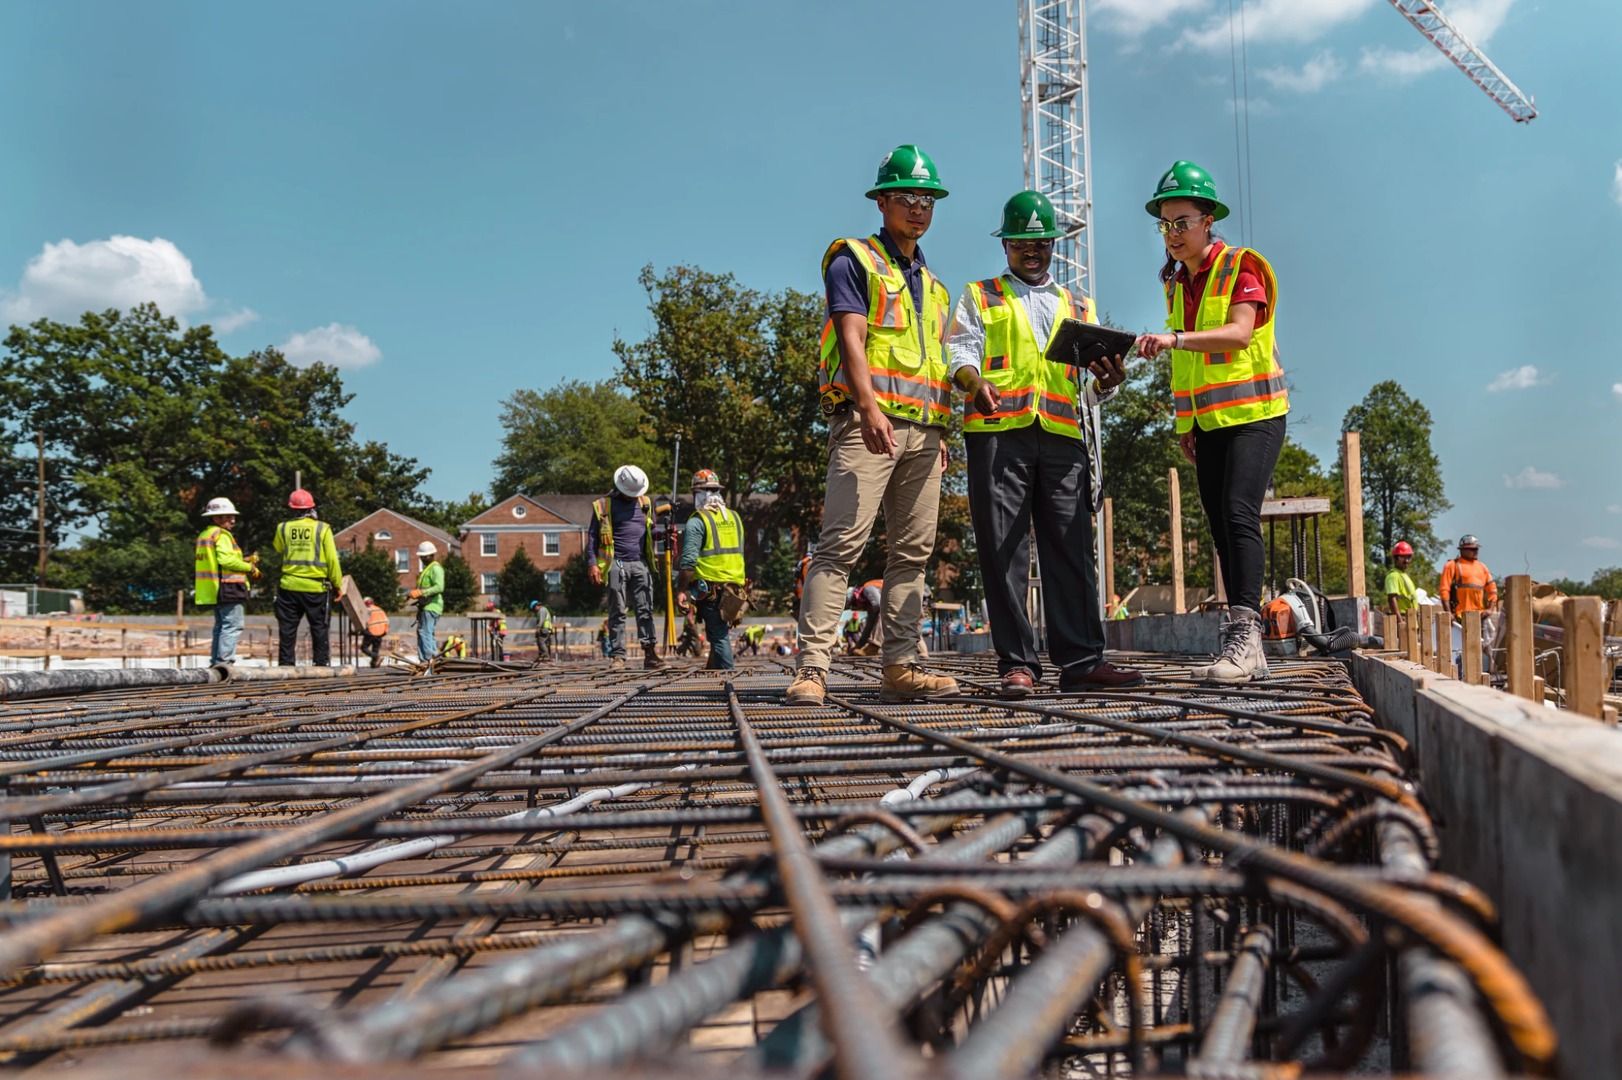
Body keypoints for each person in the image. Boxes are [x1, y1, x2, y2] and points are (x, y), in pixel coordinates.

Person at [948, 189, 1142, 698]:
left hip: (1062, 436)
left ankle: (1081, 662)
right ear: (1005, 243)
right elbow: (959, 354)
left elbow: (1088, 388)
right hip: (997, 436)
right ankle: (1019, 665)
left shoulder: (1079, 304)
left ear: (1053, 244)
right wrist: (973, 383)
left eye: (1040, 243)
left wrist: (1108, 380)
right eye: (1020, 243)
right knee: (1003, 548)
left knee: (1073, 547)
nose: (1031, 251)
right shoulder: (980, 295)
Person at [787, 145, 959, 706]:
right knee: (840, 546)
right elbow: (851, 338)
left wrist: (940, 435)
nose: (919, 207)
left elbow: (933, 363)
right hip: (870, 425)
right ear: (882, 201)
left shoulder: (934, 286)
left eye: (927, 198)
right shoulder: (854, 260)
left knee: (912, 556)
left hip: (924, 432)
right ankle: (812, 669)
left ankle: (902, 666)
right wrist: (868, 409)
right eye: (908, 197)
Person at [1136, 162, 1288, 683]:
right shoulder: (1178, 286)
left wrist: (1175, 339)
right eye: (1165, 224)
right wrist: (1185, 424)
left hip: (1256, 414)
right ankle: (1244, 643)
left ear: (1207, 221)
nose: (1173, 234)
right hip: (1209, 422)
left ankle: (1248, 638)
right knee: (1222, 525)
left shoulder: (1241, 267)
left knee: (1238, 512)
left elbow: (1241, 334)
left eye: (1181, 222)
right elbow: (1186, 369)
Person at [589, 465, 664, 671]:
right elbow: (593, 537)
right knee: (617, 611)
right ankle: (618, 657)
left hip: (640, 564)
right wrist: (592, 563)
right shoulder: (603, 506)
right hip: (616, 565)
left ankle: (650, 653)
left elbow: (651, 532)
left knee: (645, 609)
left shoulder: (645, 503)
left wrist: (665, 536)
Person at [676, 469, 748, 671]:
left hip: (711, 589)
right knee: (719, 631)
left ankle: (727, 678)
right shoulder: (734, 518)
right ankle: (713, 671)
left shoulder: (698, 521)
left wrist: (681, 590)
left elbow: (688, 561)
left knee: (718, 636)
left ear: (698, 494)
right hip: (736, 588)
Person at [273, 488, 343, 666]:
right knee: (319, 628)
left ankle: (286, 666)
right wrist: (338, 585)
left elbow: (279, 549)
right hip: (315, 588)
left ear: (292, 508)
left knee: (287, 630)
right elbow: (332, 560)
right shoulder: (322, 528)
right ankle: (320, 665)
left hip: (288, 587)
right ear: (311, 508)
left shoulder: (283, 528)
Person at [194, 496, 260, 666]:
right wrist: (249, 568)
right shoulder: (222, 535)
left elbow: (219, 561)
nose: (233, 520)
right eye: (228, 516)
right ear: (216, 518)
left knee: (221, 627)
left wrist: (245, 559)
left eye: (233, 516)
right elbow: (226, 561)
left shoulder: (205, 534)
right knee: (232, 625)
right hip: (229, 587)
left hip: (215, 588)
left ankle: (217, 662)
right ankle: (224, 663)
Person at [1439, 535, 1498, 618]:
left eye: (1476, 549)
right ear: (1462, 550)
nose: (1476, 551)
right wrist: (1448, 613)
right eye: (1472, 549)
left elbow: (1493, 590)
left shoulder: (1482, 567)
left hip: (1480, 616)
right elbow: (1444, 590)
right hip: (1459, 616)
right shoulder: (1452, 565)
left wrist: (1490, 609)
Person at [407, 540, 445, 661]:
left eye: (424, 557)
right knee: (425, 633)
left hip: (431, 606)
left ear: (431, 555)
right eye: (421, 557)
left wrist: (421, 592)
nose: (422, 559)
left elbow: (439, 587)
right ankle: (428, 660)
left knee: (425, 633)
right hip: (426, 606)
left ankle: (429, 661)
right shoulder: (428, 569)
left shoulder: (435, 568)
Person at [1385, 542, 1419, 617]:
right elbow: (1391, 599)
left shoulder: (1403, 575)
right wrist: (1400, 621)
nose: (1406, 561)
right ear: (1396, 558)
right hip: (1403, 618)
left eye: (1408, 557)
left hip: (1411, 619)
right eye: (1403, 557)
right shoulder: (1393, 576)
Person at [359, 596, 389, 667]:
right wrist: (385, 631)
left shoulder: (367, 610)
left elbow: (363, 622)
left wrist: (360, 631)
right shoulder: (379, 609)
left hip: (371, 631)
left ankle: (376, 657)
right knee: (375, 649)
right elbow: (386, 621)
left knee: (364, 648)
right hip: (381, 632)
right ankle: (374, 665)